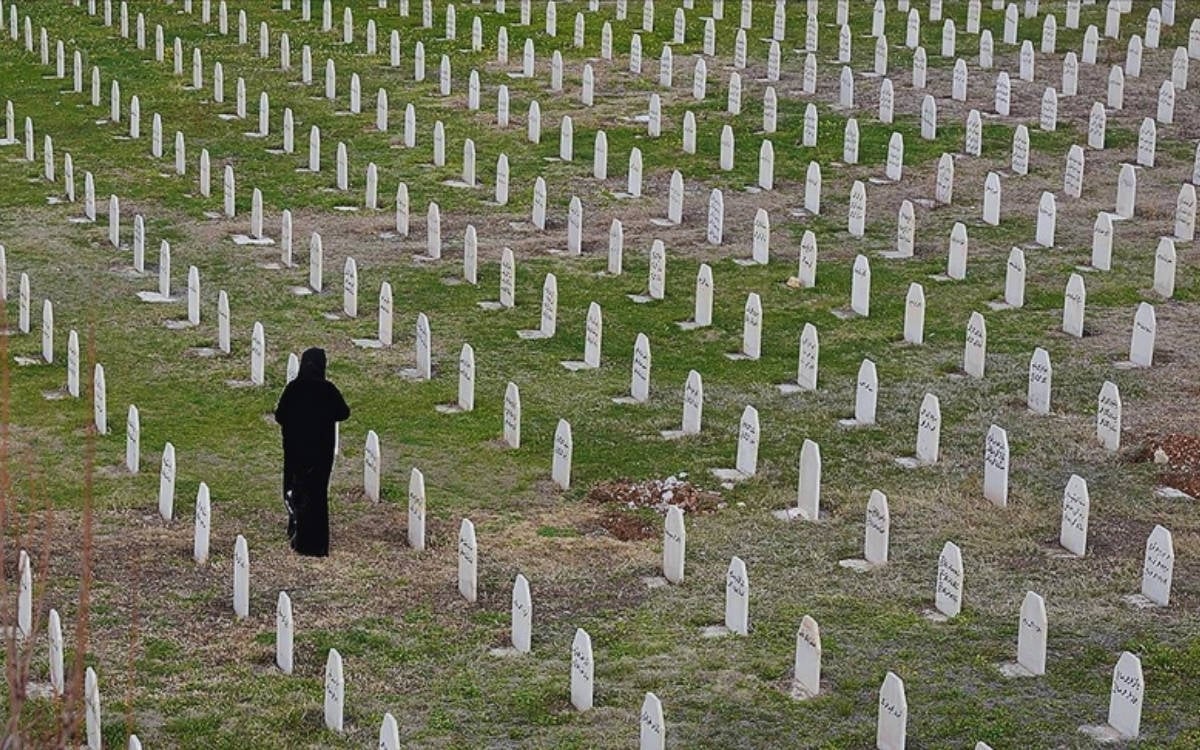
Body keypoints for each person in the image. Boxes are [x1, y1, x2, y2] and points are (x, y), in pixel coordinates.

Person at [273, 347, 350, 556]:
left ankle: (296, 532)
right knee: (317, 495)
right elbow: (344, 413)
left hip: (295, 451)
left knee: (296, 490)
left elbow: (280, 416)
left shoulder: (293, 388)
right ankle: (316, 544)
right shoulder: (327, 389)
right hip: (320, 453)